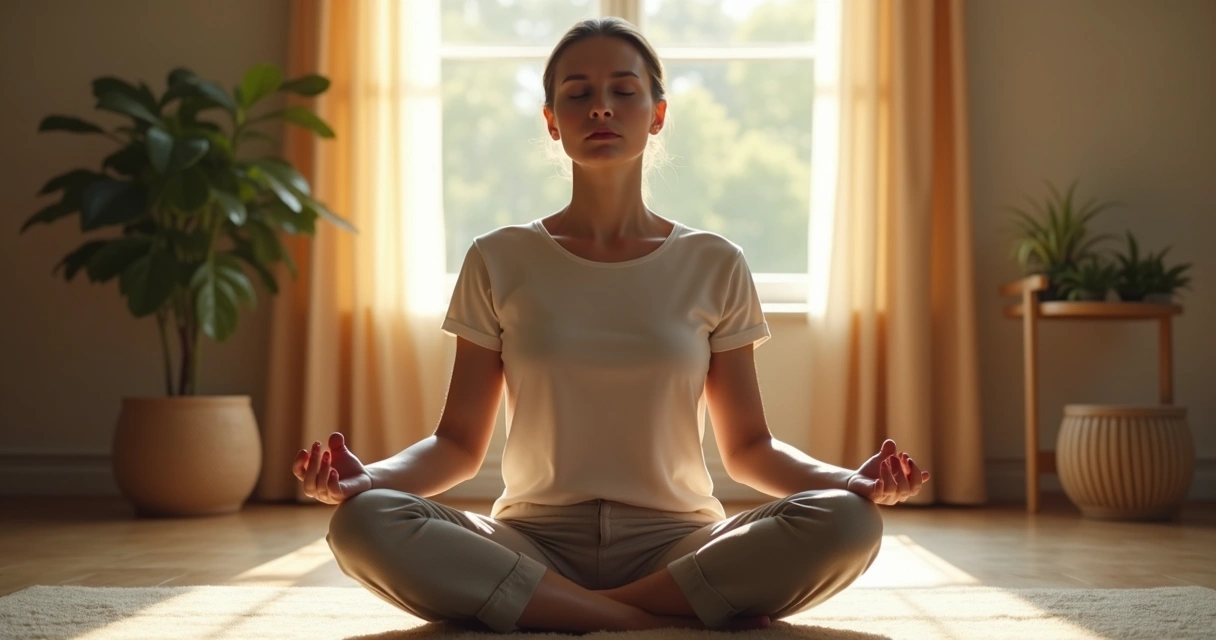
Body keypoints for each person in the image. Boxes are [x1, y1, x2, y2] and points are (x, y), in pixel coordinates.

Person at [291, 16, 929, 635]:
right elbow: (457, 445)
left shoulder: (714, 262)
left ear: (656, 115)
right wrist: (365, 479)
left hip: (678, 544)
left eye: (624, 91)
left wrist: (852, 480)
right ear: (552, 121)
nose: (601, 108)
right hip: (530, 539)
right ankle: (642, 618)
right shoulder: (498, 257)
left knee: (850, 522)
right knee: (362, 522)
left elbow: (748, 450)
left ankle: (551, 610)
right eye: (579, 94)